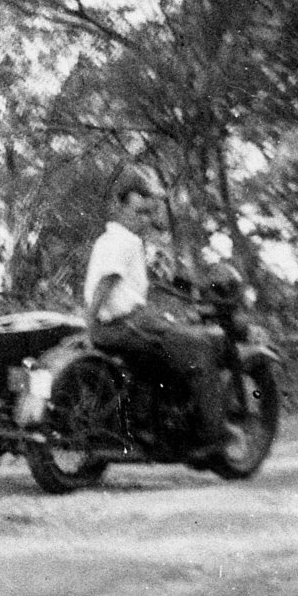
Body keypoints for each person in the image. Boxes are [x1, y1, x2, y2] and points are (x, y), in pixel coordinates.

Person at [83, 165, 231, 460]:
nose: (145, 220)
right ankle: (213, 438)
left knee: (165, 352)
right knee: (200, 346)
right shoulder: (123, 241)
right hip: (123, 324)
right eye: (138, 213)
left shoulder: (114, 240)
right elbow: (105, 283)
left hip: (119, 325)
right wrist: (89, 325)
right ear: (119, 207)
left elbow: (136, 283)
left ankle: (150, 425)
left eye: (148, 214)